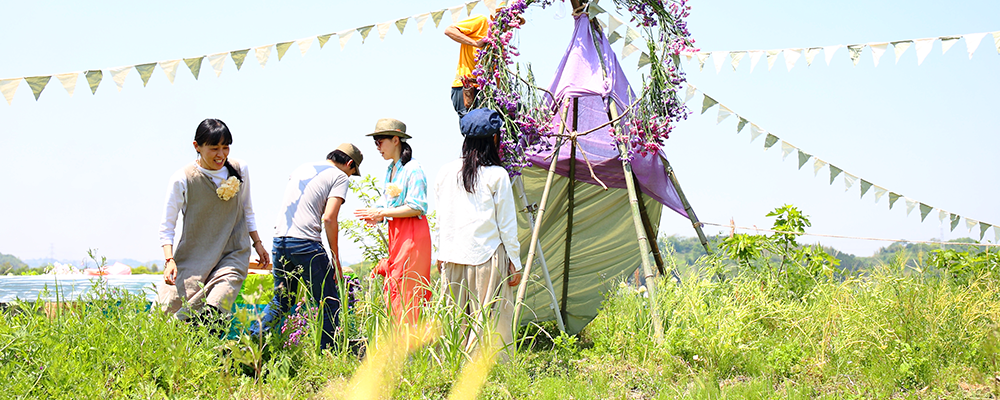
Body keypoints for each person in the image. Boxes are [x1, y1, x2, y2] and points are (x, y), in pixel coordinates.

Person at [249, 143, 363, 350]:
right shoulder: (339, 177)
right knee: (329, 303)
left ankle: (249, 346)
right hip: (306, 243)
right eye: (352, 172)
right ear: (349, 164)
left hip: (280, 241)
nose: (349, 176)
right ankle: (329, 356)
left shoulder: (302, 168)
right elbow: (329, 218)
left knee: (282, 301)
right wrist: (335, 258)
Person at [159, 118, 270, 328]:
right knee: (173, 309)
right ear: (197, 147)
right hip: (195, 257)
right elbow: (167, 224)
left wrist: (257, 243)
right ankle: (190, 354)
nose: (221, 155)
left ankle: (206, 350)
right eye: (214, 148)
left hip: (233, 253)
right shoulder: (183, 178)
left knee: (218, 304)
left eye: (225, 147)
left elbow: (248, 209)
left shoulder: (240, 169)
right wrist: (170, 260)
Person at [435, 108, 522, 359]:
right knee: (491, 320)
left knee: (454, 319)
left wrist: (440, 252)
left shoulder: (445, 171)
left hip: (452, 257)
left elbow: (440, 219)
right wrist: (514, 261)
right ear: (495, 139)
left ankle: (451, 366)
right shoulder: (497, 175)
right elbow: (506, 224)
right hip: (486, 257)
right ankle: (489, 372)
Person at [354, 118, 432, 325]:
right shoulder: (391, 170)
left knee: (407, 287)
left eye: (380, 141)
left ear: (395, 140)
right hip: (397, 233)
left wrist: (382, 213)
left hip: (413, 233)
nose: (378, 147)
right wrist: (376, 215)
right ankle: (400, 344)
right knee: (396, 284)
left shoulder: (413, 169)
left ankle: (410, 345)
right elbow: (387, 204)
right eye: (376, 142)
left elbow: (418, 206)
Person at [445, 13, 490, 117]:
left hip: (483, 91)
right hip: (466, 87)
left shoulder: (499, 41)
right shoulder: (481, 21)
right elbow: (449, 30)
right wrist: (475, 43)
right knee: (471, 127)